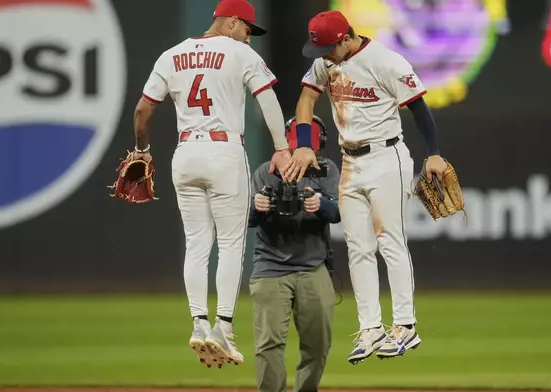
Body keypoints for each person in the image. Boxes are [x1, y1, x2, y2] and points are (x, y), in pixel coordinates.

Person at [130, 0, 314, 369]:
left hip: (185, 153)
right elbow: (269, 101)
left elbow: (143, 110)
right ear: (231, 23)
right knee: (230, 243)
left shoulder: (172, 54)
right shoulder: (239, 54)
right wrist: (282, 148)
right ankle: (222, 328)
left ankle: (198, 321)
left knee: (197, 243)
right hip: (224, 151)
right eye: (247, 29)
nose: (249, 36)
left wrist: (141, 151)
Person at [292, 9, 450, 364]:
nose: (324, 56)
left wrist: (434, 153)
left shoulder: (386, 61)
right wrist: (303, 143)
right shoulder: (325, 62)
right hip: (350, 161)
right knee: (357, 246)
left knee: (390, 240)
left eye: (329, 48)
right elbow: (306, 98)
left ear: (347, 38)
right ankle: (370, 329)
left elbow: (419, 109)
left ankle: (406, 326)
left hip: (386, 157)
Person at [249, 115, 340, 392]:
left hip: (313, 266)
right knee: (269, 345)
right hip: (270, 266)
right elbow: (246, 220)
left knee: (319, 343)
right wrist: (258, 206)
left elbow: (338, 212)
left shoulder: (326, 170)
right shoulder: (267, 171)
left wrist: (320, 203)